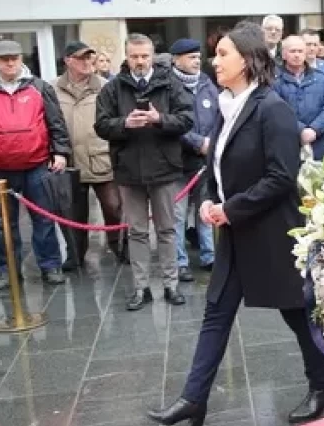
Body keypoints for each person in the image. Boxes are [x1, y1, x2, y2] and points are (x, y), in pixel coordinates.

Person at [148, 23, 324, 426]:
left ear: (249, 60)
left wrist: (229, 209)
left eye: (223, 55)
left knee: (297, 314)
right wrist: (209, 203)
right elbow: (216, 165)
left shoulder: (272, 108)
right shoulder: (226, 104)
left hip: (273, 233)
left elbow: (280, 176)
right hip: (236, 232)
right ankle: (193, 399)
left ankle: (323, 388)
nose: (214, 62)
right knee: (216, 312)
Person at [95, 34, 195, 311]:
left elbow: (187, 118)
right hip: (128, 170)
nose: (140, 62)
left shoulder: (170, 83)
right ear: (126, 57)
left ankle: (171, 285)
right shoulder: (112, 88)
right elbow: (101, 125)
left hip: (164, 168)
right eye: (134, 56)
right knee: (137, 231)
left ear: (152, 56)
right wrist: (124, 123)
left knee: (166, 229)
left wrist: (159, 119)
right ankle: (141, 288)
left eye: (144, 56)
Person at [0, 40, 70, 289]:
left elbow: (56, 122)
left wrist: (61, 152)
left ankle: (50, 265)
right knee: (3, 223)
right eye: (4, 59)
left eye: (14, 58)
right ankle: (6, 269)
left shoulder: (40, 88)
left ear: (21, 58)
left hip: (37, 164)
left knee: (43, 219)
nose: (10, 63)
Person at [54, 41, 124, 270]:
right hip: (69, 162)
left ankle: (120, 248)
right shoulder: (52, 88)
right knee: (73, 213)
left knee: (114, 207)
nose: (87, 62)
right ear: (68, 61)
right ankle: (75, 255)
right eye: (81, 58)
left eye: (89, 58)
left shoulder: (106, 86)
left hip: (101, 158)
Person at [170, 38, 219, 282]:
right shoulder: (167, 86)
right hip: (177, 162)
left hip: (204, 162)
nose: (196, 61)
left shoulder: (208, 84)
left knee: (205, 210)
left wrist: (211, 141)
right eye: (190, 57)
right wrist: (198, 142)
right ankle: (180, 262)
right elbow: (170, 124)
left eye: (198, 57)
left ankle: (209, 256)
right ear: (176, 60)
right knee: (177, 215)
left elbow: (220, 116)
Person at [274, 35, 324, 161]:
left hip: (318, 144)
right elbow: (276, 112)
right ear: (284, 54)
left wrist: (314, 129)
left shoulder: (322, 78)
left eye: (300, 51)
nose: (297, 55)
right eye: (292, 51)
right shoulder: (274, 81)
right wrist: (301, 130)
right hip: (287, 145)